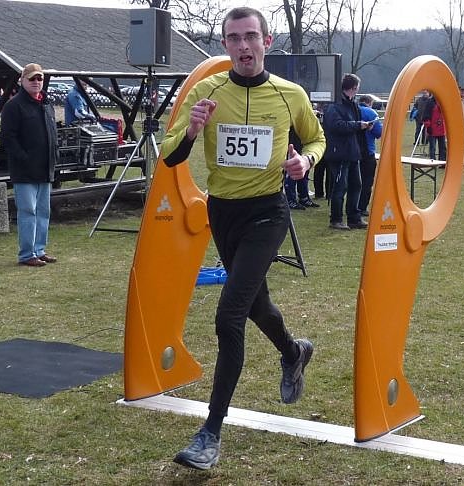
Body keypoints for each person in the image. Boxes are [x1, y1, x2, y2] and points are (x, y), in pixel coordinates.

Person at [160, 7, 325, 470]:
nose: (243, 46)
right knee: (256, 304)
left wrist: (305, 162)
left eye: (251, 36)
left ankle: (210, 434)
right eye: (234, 38)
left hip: (267, 213)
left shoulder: (290, 94)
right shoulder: (207, 91)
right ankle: (294, 351)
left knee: (229, 315)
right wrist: (192, 129)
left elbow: (317, 140)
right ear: (225, 46)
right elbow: (170, 155)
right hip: (224, 213)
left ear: (267, 42)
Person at [0, 63, 59, 267]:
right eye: (32, 78)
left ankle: (39, 250)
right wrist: (23, 157)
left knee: (43, 212)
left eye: (39, 78)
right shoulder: (13, 106)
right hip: (25, 170)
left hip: (45, 168)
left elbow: (52, 134)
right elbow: (8, 138)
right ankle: (27, 254)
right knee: (28, 211)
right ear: (22, 81)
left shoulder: (46, 104)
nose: (36, 82)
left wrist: (54, 157)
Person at [323, 73, 372, 230]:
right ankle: (336, 219)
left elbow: (352, 124)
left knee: (356, 185)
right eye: (357, 88)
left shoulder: (353, 105)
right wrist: (358, 125)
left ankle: (354, 218)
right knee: (340, 187)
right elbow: (336, 125)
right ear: (354, 88)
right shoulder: (334, 105)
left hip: (352, 151)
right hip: (338, 153)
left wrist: (364, 126)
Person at [357, 94, 382, 216]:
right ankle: (362, 207)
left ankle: (352, 206)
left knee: (353, 180)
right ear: (369, 103)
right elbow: (378, 133)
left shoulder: (352, 110)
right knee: (367, 181)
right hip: (367, 151)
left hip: (352, 150)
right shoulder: (371, 113)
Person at [423, 94, 446, 161]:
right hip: (432, 129)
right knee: (432, 147)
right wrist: (428, 126)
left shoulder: (443, 101)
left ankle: (442, 161)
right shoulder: (430, 102)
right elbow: (425, 116)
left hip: (442, 128)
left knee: (442, 147)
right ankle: (432, 161)